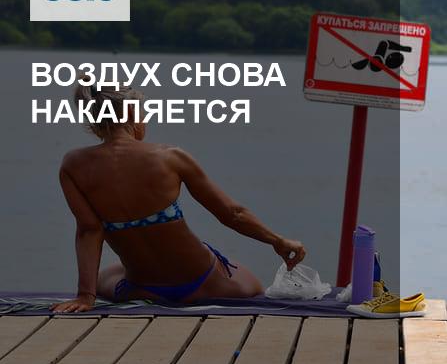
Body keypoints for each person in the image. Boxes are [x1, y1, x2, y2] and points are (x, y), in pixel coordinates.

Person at [51, 84, 306, 313]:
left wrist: (85, 296)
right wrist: (277, 241)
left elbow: (89, 230)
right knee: (249, 281)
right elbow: (232, 214)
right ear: (130, 111)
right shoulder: (169, 157)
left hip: (142, 289)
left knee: (106, 276)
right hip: (205, 285)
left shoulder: (73, 165)